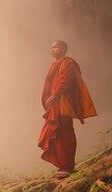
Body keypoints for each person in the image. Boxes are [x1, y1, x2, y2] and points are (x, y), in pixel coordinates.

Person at [38, 40, 97, 179]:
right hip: (55, 106)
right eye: (51, 47)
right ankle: (62, 166)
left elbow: (66, 82)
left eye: (56, 47)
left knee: (65, 132)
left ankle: (67, 166)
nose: (52, 49)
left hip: (63, 104)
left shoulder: (68, 63)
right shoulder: (56, 64)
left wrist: (55, 96)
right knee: (56, 133)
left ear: (63, 49)